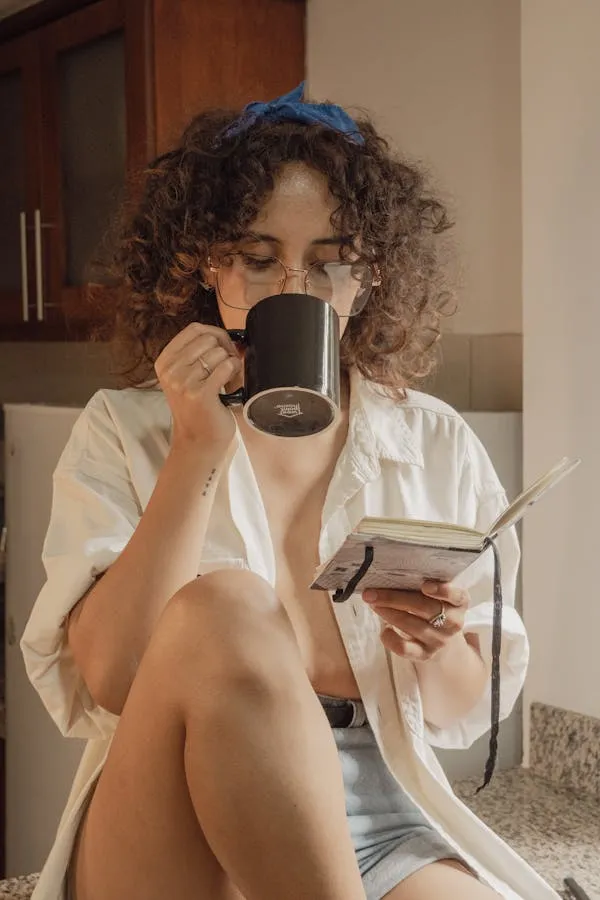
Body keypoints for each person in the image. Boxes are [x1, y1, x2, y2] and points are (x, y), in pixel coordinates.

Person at [21, 85, 557, 900]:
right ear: (209, 264)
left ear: (368, 278)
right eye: (259, 256)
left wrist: (440, 643)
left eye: (332, 259)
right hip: (172, 812)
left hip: (380, 810)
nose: (295, 288)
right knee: (226, 605)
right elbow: (115, 679)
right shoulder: (125, 429)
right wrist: (196, 449)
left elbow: (463, 712)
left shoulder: (434, 441)